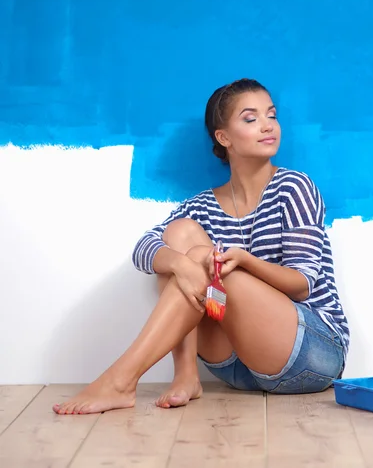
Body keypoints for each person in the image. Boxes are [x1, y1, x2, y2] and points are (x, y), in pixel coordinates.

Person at [53, 78, 350, 415]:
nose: (268, 126)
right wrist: (182, 265)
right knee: (181, 238)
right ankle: (186, 377)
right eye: (251, 119)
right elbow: (144, 249)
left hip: (310, 353)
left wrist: (244, 262)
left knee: (218, 268)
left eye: (272, 115)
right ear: (224, 138)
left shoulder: (294, 187)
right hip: (237, 367)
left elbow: (302, 284)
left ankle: (120, 380)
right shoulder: (202, 206)